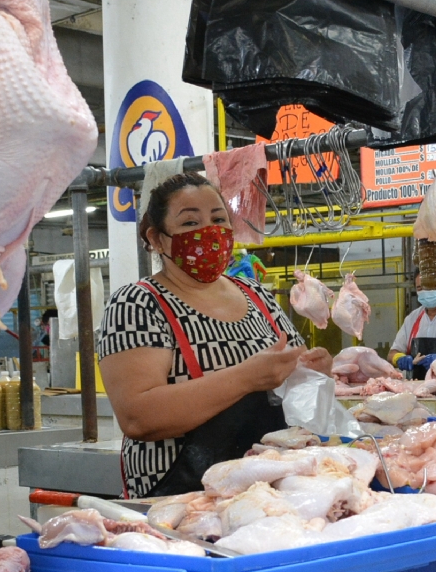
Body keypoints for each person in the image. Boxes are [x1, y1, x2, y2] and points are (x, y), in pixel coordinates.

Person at [99, 173, 333, 498]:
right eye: (190, 222)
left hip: (270, 487)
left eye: (218, 219)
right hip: (183, 498)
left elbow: (292, 376)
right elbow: (138, 417)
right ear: (157, 238)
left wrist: (312, 369)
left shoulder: (255, 294)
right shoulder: (137, 303)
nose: (208, 231)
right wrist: (246, 377)